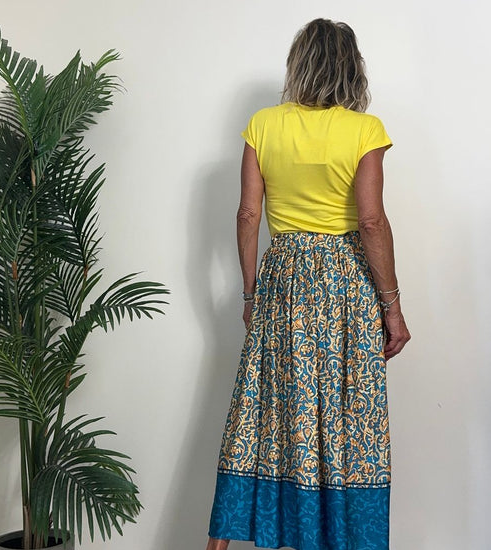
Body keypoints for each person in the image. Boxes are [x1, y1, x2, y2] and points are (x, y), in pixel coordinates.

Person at [205, 18, 410, 550]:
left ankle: (227, 539)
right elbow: (371, 222)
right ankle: (342, 535)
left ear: (299, 64)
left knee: (263, 410)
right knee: (347, 416)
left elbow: (248, 214)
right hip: (345, 283)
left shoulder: (263, 124)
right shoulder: (364, 130)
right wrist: (392, 306)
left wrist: (250, 292)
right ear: (351, 68)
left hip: (283, 279)